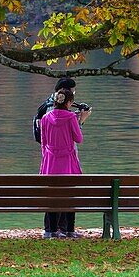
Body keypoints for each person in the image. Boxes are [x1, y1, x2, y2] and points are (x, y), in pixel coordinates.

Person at [39, 88, 91, 239]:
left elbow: (44, 142)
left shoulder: (45, 118)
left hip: (50, 162)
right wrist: (81, 120)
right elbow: (78, 139)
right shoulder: (70, 118)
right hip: (67, 162)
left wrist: (46, 158)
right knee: (69, 194)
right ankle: (69, 229)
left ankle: (51, 230)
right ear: (68, 103)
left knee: (52, 195)